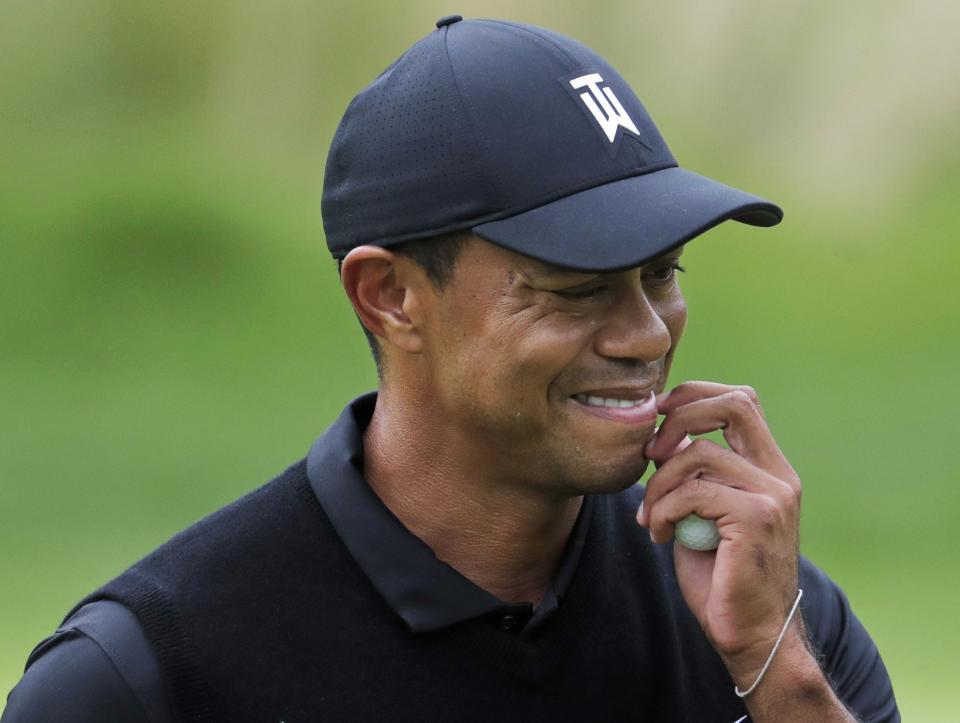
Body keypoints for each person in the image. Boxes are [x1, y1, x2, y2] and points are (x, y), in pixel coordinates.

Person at [3, 15, 898, 722]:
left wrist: (777, 674)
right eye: (578, 287)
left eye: (662, 272)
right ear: (390, 295)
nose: (646, 333)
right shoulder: (144, 678)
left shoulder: (774, 618)